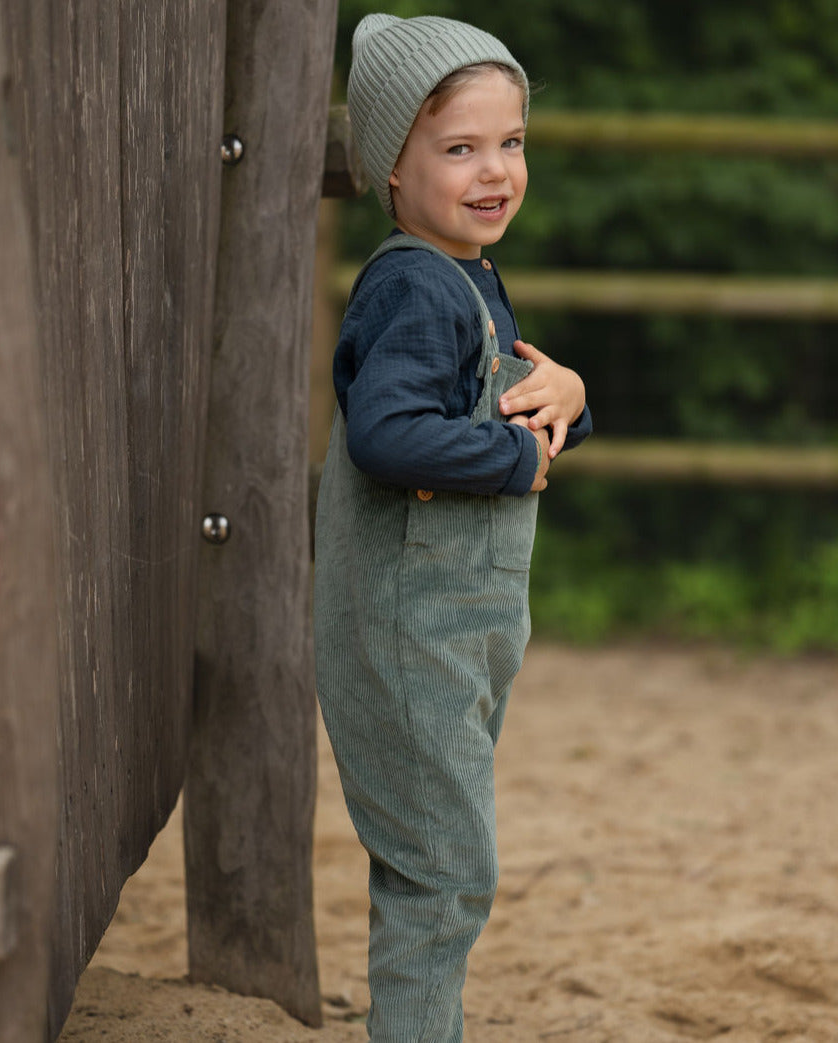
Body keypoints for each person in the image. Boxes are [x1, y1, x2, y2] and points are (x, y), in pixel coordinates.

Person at [313, 13, 592, 1042]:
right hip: (410, 628)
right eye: (459, 147)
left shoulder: (461, 272)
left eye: (509, 143)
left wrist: (566, 392)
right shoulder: (411, 285)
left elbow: (503, 395)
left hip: (458, 625)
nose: (494, 171)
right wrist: (519, 459)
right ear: (391, 167)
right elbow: (388, 435)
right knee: (441, 867)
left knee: (444, 851)